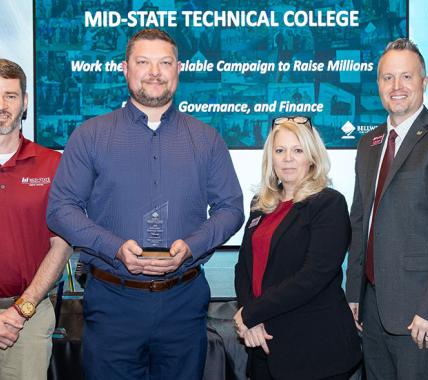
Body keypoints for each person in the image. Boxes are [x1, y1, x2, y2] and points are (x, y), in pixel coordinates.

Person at [46, 29, 244, 380]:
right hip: (112, 302)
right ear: (125, 68)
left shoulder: (207, 138)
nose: (155, 71)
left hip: (184, 303)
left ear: (178, 69)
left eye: (164, 62)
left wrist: (192, 245)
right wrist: (115, 247)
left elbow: (231, 209)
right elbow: (61, 208)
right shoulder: (90, 135)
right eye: (143, 62)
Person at [345, 38, 428, 379]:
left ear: (424, 82)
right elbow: (361, 222)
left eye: (406, 77)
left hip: (424, 316)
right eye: (388, 78)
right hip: (373, 311)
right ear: (378, 85)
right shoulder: (369, 143)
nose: (397, 86)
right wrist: (354, 292)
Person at [234, 116, 361, 380]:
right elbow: (243, 267)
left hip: (314, 352)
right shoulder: (262, 203)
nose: (287, 158)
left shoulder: (329, 203)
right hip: (263, 342)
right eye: (280, 151)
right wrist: (251, 318)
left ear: (312, 157)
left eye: (297, 150)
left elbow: (313, 276)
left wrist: (251, 313)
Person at [0, 58, 73, 379]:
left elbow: (62, 244)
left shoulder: (52, 166)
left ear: (25, 102)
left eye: (10, 96)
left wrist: (20, 311)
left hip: (27, 317)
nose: (1, 105)